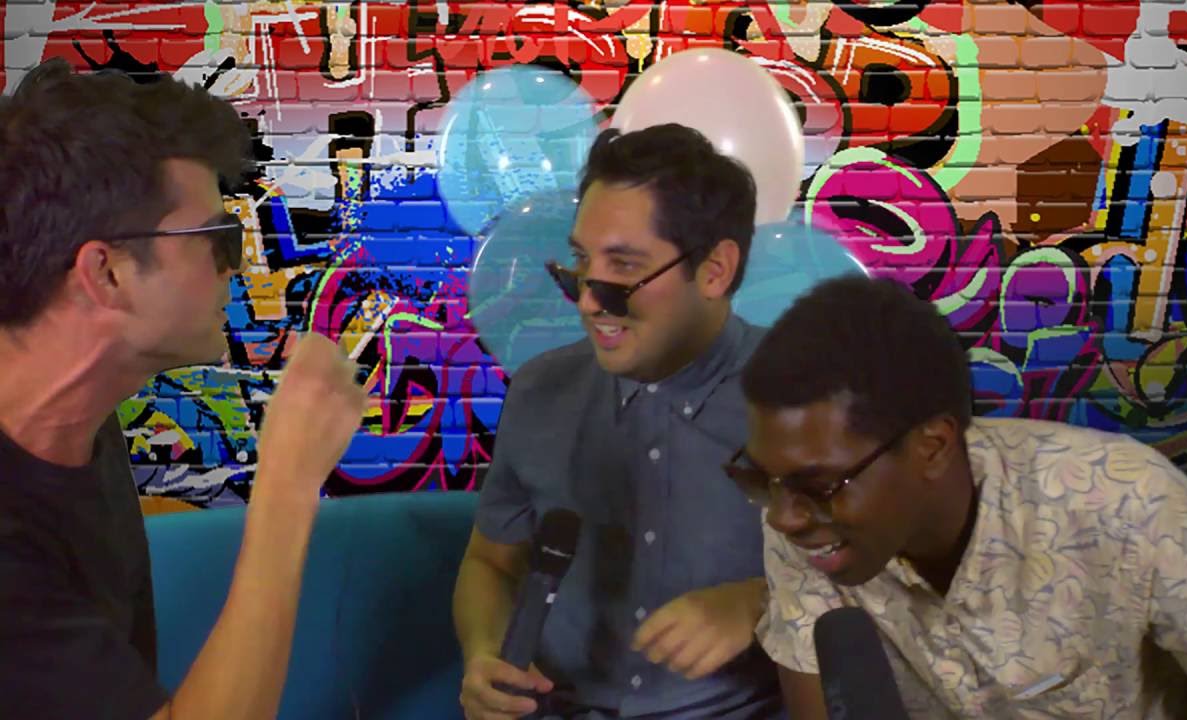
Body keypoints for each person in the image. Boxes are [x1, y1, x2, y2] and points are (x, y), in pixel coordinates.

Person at [733, 274, 1187, 719]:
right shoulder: (805, 523)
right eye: (763, 480)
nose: (782, 517)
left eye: (818, 485)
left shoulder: (1124, 501)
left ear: (932, 447)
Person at [0, 59, 367, 719]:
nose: (238, 268)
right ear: (106, 273)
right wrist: (287, 485)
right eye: (218, 240)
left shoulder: (80, 427)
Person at [452, 124, 785, 720]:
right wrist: (485, 654)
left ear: (715, 270)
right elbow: (490, 564)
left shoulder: (807, 402)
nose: (587, 300)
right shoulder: (539, 392)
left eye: (624, 267)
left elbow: (893, 584)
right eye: (581, 263)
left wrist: (761, 603)